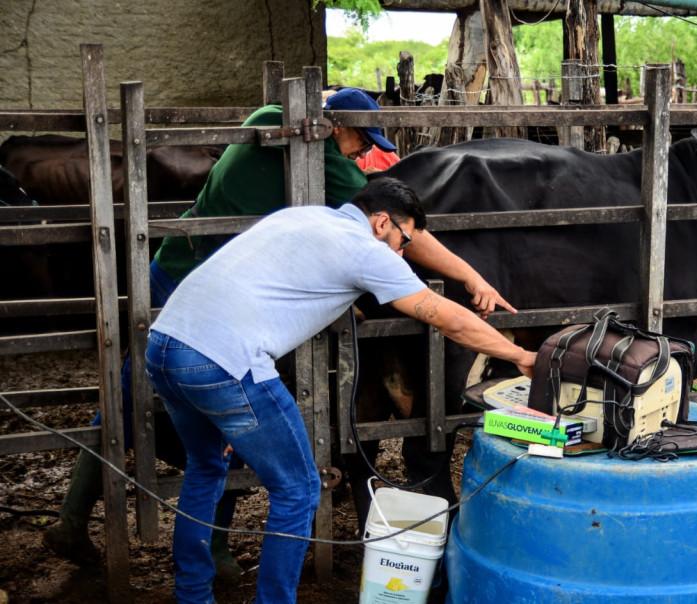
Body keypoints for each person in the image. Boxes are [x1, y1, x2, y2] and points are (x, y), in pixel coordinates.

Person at [45, 88, 511, 573]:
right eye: (359, 139)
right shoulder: (327, 158)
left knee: (128, 395)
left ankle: (78, 519)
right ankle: (213, 548)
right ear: (333, 126)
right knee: (250, 442)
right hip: (222, 295)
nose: (360, 151)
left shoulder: (270, 115)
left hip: (180, 271)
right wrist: (469, 275)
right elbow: (392, 227)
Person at [145, 177, 536, 604]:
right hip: (226, 363)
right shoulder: (368, 251)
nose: (403, 254)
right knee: (297, 489)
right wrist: (517, 355)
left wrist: (465, 275)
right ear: (381, 222)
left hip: (165, 345)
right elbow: (448, 319)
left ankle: (192, 596)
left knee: (205, 469)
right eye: (402, 242)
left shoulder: (305, 217)